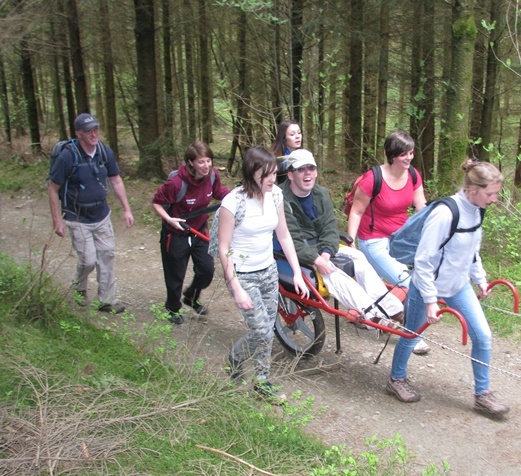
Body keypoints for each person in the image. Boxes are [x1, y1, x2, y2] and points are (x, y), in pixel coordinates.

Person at [386, 159, 510, 416]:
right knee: (412, 334)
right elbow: (423, 259)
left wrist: (481, 279)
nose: (494, 199)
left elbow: (472, 250)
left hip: (458, 285)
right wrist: (431, 299)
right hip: (426, 285)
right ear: (473, 188)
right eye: (491, 193)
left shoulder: (477, 209)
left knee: (483, 335)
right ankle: (396, 378)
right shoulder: (445, 213)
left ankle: (482, 394)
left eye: (496, 193)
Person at [216, 145, 308, 402]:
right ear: (252, 172)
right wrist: (236, 288)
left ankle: (261, 381)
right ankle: (234, 359)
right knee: (262, 331)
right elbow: (224, 249)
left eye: (274, 173)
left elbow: (284, 235)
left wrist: (298, 273)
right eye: (267, 174)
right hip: (243, 275)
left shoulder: (276, 195)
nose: (272, 179)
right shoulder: (232, 203)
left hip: (268, 271)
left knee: (267, 327)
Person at [281, 148, 405, 327]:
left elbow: (329, 228)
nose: (307, 173)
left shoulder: (320, 193)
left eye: (311, 168)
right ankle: (373, 315)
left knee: (359, 257)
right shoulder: (281, 199)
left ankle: (392, 309)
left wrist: (325, 252)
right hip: (299, 252)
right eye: (301, 169)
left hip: (321, 246)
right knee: (332, 272)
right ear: (291, 175)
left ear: (316, 172)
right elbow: (291, 239)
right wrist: (317, 260)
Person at [347, 130, 430, 354]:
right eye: (404, 154)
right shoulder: (372, 179)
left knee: (422, 276)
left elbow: (421, 208)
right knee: (408, 282)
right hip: (373, 240)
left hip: (401, 239)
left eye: (411, 153)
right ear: (392, 155)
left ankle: (374, 309)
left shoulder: (413, 175)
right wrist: (351, 241)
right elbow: (357, 211)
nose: (409, 158)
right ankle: (410, 333)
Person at [48, 113, 134, 314]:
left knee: (107, 254)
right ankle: (79, 286)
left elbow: (116, 180)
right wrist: (56, 221)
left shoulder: (104, 152)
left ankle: (106, 300)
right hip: (76, 217)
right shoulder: (68, 156)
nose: (94, 133)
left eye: (96, 129)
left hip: (101, 214)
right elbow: (53, 188)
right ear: (78, 134)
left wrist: (126, 209)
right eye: (89, 131)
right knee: (88, 260)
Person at [151, 141, 230, 325]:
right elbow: (156, 202)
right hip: (176, 234)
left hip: (199, 232)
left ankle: (191, 296)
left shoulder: (212, 176)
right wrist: (169, 219)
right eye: (201, 162)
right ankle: (172, 308)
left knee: (207, 270)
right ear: (191, 162)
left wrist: (238, 194)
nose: (206, 166)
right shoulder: (176, 182)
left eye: (209, 161)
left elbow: (219, 193)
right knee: (175, 275)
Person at [270, 119, 302, 184]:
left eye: (299, 133)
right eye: (292, 134)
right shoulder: (274, 159)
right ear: (284, 138)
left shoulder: (302, 156)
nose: (297, 136)